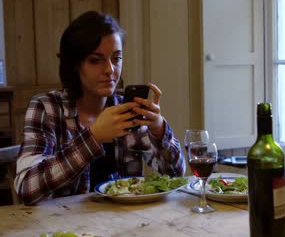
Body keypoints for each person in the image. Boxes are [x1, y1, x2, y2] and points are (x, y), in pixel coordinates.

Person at [14, 11, 186, 205]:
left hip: (123, 223)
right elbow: (27, 189)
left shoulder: (127, 109)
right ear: (74, 64)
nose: (110, 70)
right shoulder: (46, 108)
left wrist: (159, 129)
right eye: (96, 60)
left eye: (116, 58)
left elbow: (175, 173)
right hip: (63, 228)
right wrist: (94, 137)